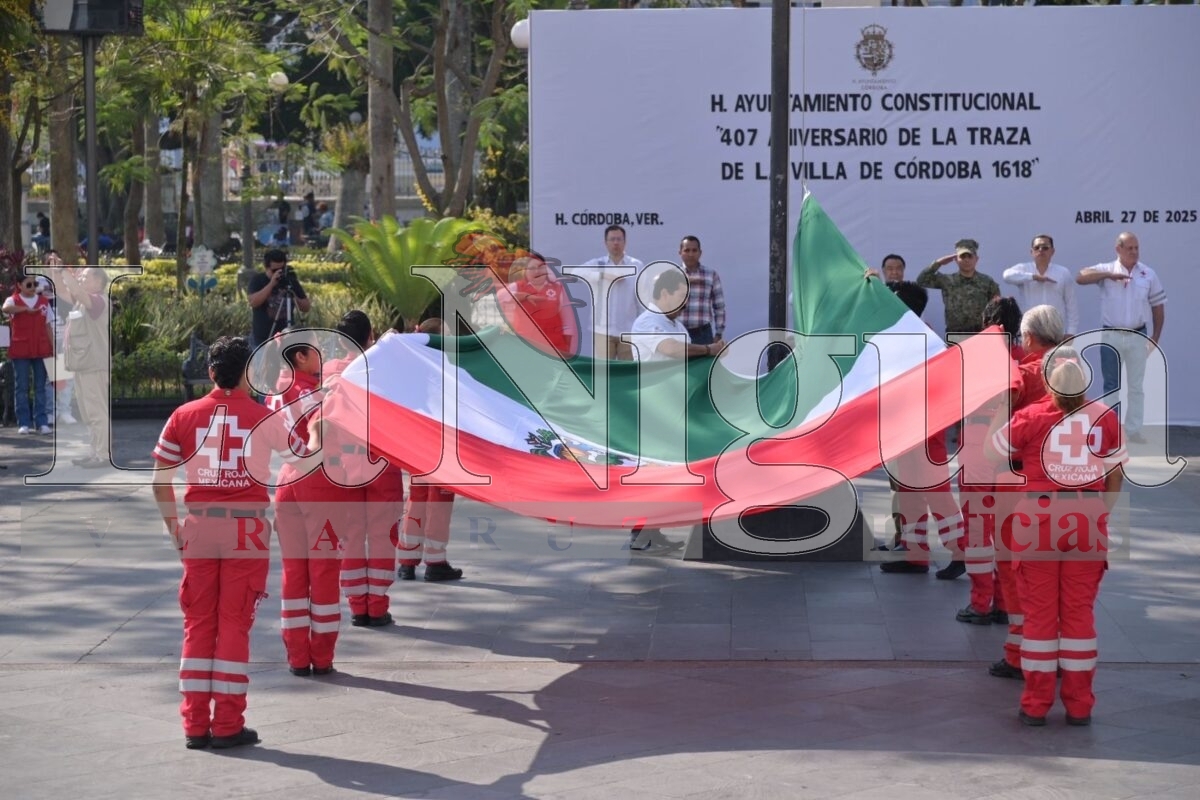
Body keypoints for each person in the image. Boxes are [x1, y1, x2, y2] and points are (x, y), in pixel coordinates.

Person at [152, 336, 303, 750]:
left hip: (200, 528)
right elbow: (304, 458)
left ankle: (195, 725)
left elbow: (159, 481)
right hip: (246, 531)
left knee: (198, 622)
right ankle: (229, 724)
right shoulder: (261, 416)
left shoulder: (183, 415)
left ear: (212, 372)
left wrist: (174, 530)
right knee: (234, 624)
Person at [985, 345, 1126, 726]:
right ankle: (1080, 706)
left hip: (1039, 521)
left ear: (1048, 384)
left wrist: (1003, 404)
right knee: (1079, 616)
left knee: (1039, 616)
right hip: (1087, 517)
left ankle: (1035, 704)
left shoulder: (1031, 416)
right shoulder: (1105, 418)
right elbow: (1116, 475)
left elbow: (991, 454)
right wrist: (1100, 513)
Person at [625, 269, 723, 552]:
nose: (685, 303)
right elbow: (670, 351)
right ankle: (639, 531)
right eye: (681, 296)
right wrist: (708, 349)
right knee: (650, 472)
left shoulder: (677, 326)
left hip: (674, 407)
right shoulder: (647, 321)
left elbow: (688, 356)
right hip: (651, 407)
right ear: (665, 294)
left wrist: (712, 355)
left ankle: (655, 529)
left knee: (667, 472)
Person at [878, 279, 965, 574]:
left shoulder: (923, 338)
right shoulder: (902, 336)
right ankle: (916, 554)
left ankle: (961, 551)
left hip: (926, 426)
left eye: (890, 299)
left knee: (934, 490)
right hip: (906, 426)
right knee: (909, 490)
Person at [268, 337, 342, 677]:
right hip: (319, 482)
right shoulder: (320, 396)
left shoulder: (276, 395)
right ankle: (322, 657)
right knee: (324, 570)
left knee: (294, 572)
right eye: (316, 350)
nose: (322, 355)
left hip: (286, 481)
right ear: (300, 357)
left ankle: (297, 657)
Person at [327, 310, 404, 625]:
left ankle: (357, 606)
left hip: (345, 465)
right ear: (369, 334)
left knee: (351, 535)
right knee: (383, 535)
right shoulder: (385, 368)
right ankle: (377, 605)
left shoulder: (330, 370)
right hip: (381, 463)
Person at [1075, 232, 1166, 444]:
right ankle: (1112, 429)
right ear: (1118, 249)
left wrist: (1155, 337)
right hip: (1111, 335)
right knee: (1111, 384)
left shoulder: (1148, 273)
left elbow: (1158, 307)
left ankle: (1133, 430)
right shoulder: (1107, 268)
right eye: (1129, 248)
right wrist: (1108, 276)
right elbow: (1080, 277)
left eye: (1136, 248)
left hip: (1137, 334)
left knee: (1135, 386)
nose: (1134, 252)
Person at [398, 317, 466, 582]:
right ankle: (435, 561)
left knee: (416, 498)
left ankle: (407, 560)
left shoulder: (413, 367)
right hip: (440, 444)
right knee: (439, 501)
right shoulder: (443, 369)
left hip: (417, 444)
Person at [58, 267, 111, 467]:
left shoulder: (97, 301)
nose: (80, 278)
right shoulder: (83, 302)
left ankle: (102, 455)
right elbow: (64, 292)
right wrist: (56, 272)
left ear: (97, 282)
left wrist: (64, 272)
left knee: (96, 412)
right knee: (88, 414)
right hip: (84, 365)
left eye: (85, 276)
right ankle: (94, 452)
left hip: (93, 365)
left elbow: (76, 291)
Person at [2, 272, 55, 435]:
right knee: (22, 387)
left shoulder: (44, 302)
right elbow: (5, 309)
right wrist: (25, 309)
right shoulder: (13, 300)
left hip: (40, 349)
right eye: (29, 285)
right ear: (19, 285)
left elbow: (48, 327)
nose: (33, 288)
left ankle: (41, 422)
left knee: (40, 387)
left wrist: (54, 349)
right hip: (21, 350)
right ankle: (24, 422)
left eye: (35, 285)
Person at [581, 225, 644, 360]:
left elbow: (641, 299)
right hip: (602, 331)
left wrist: (642, 326)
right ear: (605, 243)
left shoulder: (637, 265)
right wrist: (602, 275)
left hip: (628, 330)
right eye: (612, 239)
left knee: (626, 375)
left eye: (619, 239)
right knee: (602, 376)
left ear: (625, 242)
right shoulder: (597, 264)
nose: (616, 243)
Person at [916, 239, 1001, 339]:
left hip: (980, 334)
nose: (966, 260)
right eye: (962, 256)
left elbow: (997, 308)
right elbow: (921, 280)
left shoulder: (987, 282)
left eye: (970, 256)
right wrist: (938, 263)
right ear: (956, 259)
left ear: (976, 259)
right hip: (955, 335)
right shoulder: (947, 280)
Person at [1002, 235, 1079, 336]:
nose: (1041, 250)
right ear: (1031, 252)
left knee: (1054, 353)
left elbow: (1071, 305)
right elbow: (1006, 276)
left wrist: (1071, 332)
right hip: (1029, 329)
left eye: (1045, 247)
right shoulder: (1024, 269)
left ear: (1052, 251)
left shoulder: (1063, 272)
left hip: (1054, 330)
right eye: (1037, 247)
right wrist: (1033, 277)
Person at [501, 254, 577, 356]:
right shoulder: (517, 287)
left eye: (541, 267)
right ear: (525, 271)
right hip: (526, 345)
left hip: (553, 346)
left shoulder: (558, 288)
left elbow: (568, 321)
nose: (537, 272)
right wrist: (523, 296)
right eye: (532, 268)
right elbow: (498, 299)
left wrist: (567, 347)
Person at [247, 249, 310, 347]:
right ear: (266, 267)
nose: (278, 273)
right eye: (274, 270)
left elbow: (306, 307)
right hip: (263, 338)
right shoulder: (258, 280)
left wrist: (293, 294)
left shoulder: (290, 280)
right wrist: (271, 284)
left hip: (286, 338)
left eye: (281, 269)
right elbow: (253, 302)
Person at [674, 235, 727, 346]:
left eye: (694, 250)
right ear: (680, 252)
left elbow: (719, 306)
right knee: (678, 364)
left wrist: (718, 333)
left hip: (703, 333)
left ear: (700, 252)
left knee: (704, 364)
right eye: (686, 250)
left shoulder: (711, 275)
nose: (691, 254)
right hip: (677, 332)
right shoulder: (672, 274)